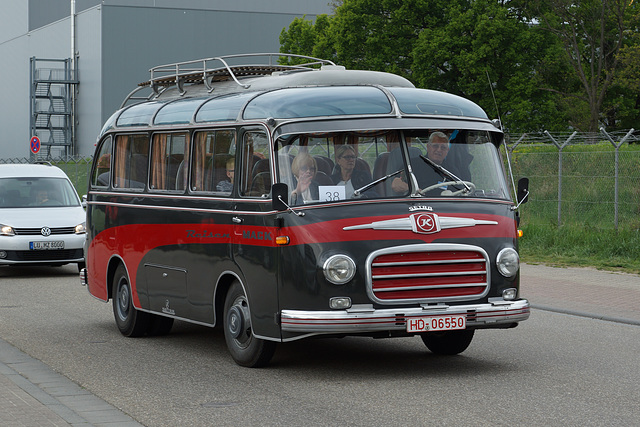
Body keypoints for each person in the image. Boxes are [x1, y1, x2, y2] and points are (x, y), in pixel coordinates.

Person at [391, 131, 455, 195]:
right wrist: (414, 189)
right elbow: (395, 184)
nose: (439, 150)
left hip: (444, 204)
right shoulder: (412, 164)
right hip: (418, 203)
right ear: (428, 147)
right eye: (435, 146)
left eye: (443, 147)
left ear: (447, 150)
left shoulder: (452, 170)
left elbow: (461, 190)